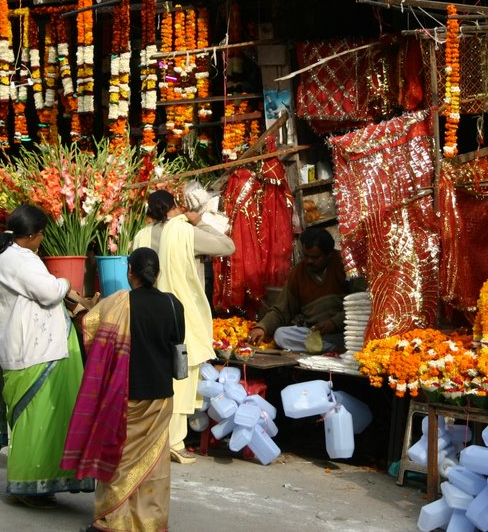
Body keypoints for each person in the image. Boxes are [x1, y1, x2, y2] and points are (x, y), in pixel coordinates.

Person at [0, 204, 94, 507]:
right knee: (36, 420)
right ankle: (27, 485)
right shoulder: (20, 260)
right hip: (34, 352)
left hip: (29, 349)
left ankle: (40, 482)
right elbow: (49, 292)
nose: (42, 241)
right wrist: (65, 283)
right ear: (33, 235)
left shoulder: (4, 256)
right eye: (41, 236)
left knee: (46, 419)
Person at [62, 247, 184, 532]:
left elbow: (91, 332)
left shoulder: (118, 303)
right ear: (158, 273)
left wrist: (79, 309)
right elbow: (177, 341)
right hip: (160, 395)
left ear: (130, 272)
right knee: (153, 464)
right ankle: (149, 522)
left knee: (118, 455)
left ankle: (112, 520)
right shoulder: (172, 304)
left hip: (124, 393)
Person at [131, 189, 234, 465]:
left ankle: (151, 439)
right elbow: (227, 247)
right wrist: (199, 222)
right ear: (175, 206)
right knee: (182, 376)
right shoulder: (185, 232)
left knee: (153, 374)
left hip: (145, 313)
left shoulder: (140, 236)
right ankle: (174, 442)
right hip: (177, 313)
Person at [246, 227, 352, 354]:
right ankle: (328, 349)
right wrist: (262, 327)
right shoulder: (298, 273)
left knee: (355, 338)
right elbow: (281, 310)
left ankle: (327, 348)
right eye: (305, 256)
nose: (308, 261)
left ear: (329, 254)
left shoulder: (345, 265)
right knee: (281, 335)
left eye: (315, 257)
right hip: (315, 334)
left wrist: (334, 323)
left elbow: (361, 306)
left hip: (345, 333)